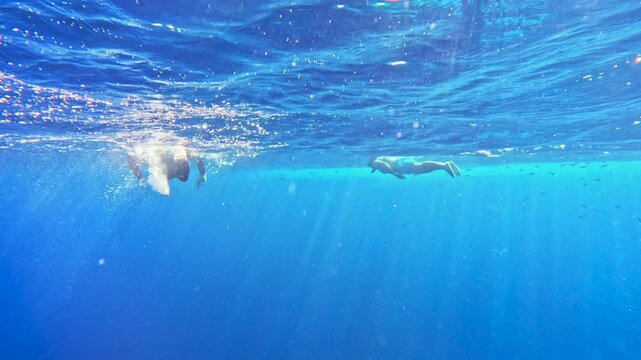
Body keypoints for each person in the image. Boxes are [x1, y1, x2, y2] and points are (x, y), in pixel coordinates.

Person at [127, 144, 206, 195]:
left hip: (162, 161)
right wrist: (202, 173)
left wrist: (139, 177)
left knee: (183, 177)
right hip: (161, 157)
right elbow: (131, 156)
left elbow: (131, 156)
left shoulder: (154, 158)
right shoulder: (154, 156)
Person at [368, 156, 460, 179]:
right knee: (420, 168)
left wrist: (394, 174)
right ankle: (444, 165)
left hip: (399, 164)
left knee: (420, 167)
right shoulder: (377, 164)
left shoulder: (376, 162)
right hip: (400, 163)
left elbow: (381, 164)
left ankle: (444, 165)